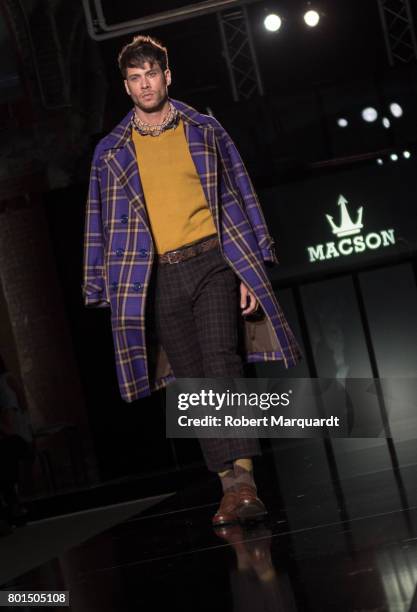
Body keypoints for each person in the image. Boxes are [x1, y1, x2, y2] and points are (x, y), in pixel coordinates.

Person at [82, 35, 302, 527]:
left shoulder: (204, 130)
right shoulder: (110, 152)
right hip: (156, 275)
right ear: (126, 85)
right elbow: (99, 221)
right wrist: (99, 285)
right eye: (135, 78)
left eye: (151, 75)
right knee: (191, 381)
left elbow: (239, 192)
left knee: (222, 359)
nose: (144, 85)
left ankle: (243, 481)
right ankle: (229, 487)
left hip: (213, 262)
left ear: (167, 76)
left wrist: (250, 265)